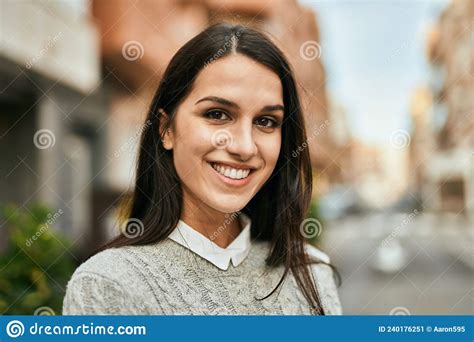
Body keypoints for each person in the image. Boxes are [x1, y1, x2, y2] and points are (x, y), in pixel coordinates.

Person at [62, 23, 342, 315]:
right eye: (217, 114)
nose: (245, 147)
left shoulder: (313, 274)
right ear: (166, 129)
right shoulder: (106, 286)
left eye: (266, 121)